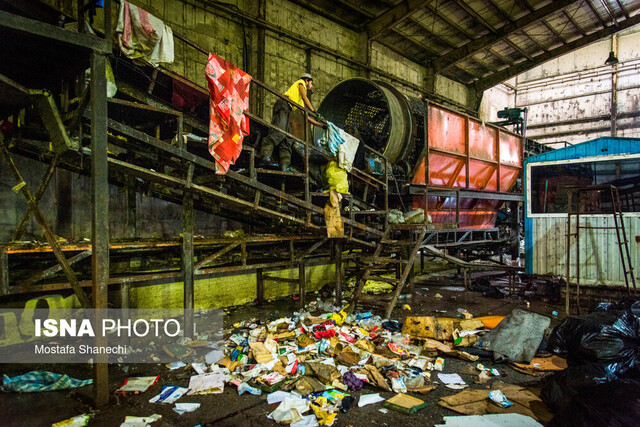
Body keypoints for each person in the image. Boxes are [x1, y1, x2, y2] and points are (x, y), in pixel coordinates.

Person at [258, 73, 326, 172]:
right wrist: (314, 111)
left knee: (287, 139)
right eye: (311, 83)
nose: (312, 85)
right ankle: (264, 157)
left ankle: (285, 165)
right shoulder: (301, 83)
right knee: (278, 132)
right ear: (306, 80)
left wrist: (320, 124)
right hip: (283, 105)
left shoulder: (299, 100)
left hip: (287, 110)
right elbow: (304, 96)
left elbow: (305, 116)